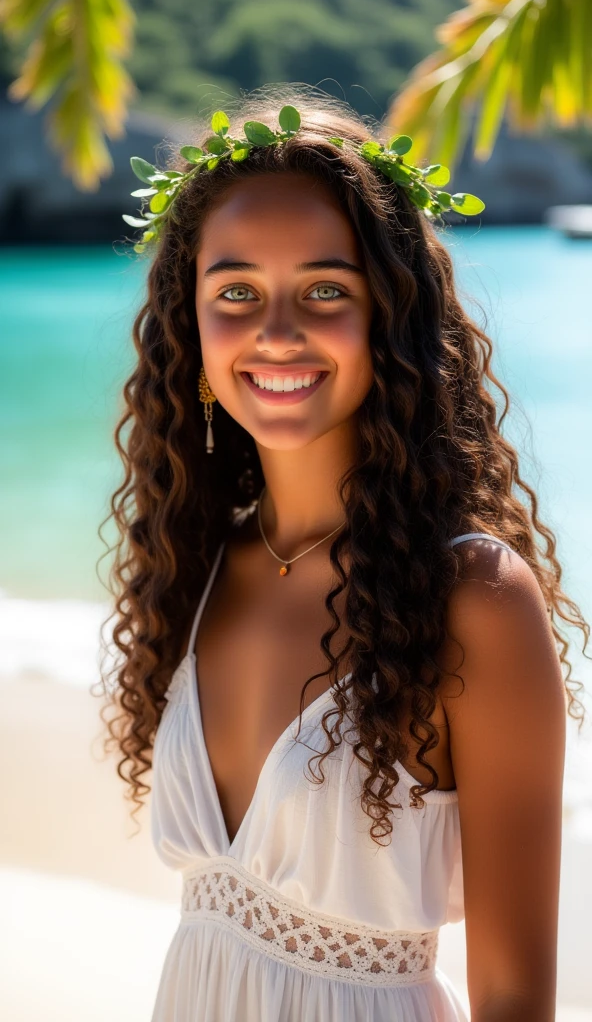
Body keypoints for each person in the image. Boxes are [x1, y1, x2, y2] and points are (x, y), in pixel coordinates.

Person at [99, 85, 588, 1021]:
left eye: (327, 290)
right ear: (188, 326)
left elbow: (518, 997)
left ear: (391, 319)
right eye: (235, 292)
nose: (276, 331)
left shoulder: (474, 598)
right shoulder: (201, 563)